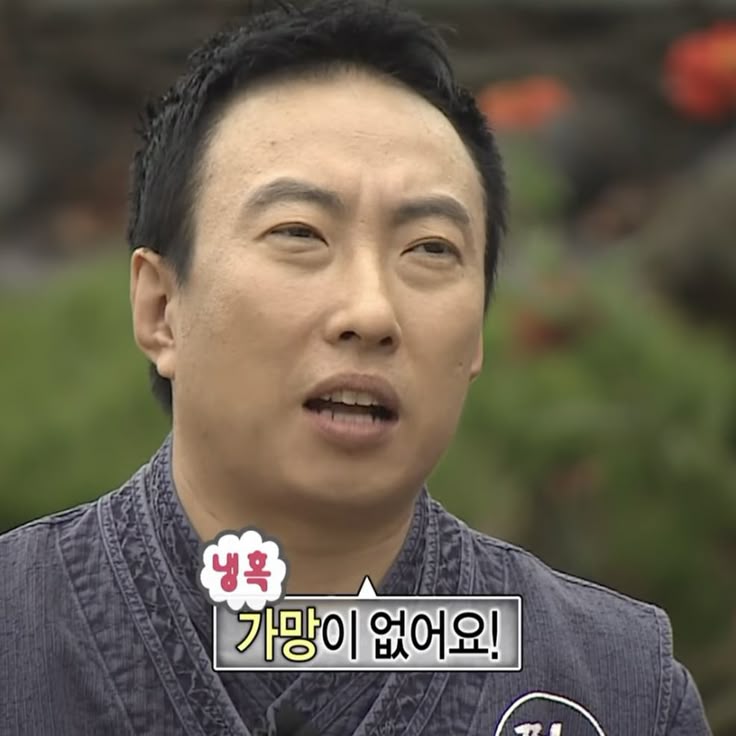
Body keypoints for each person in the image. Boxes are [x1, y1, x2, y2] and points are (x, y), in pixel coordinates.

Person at [0, 1, 712, 734]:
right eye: (300, 233)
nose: (371, 312)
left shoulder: (618, 690)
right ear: (160, 308)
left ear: (476, 332)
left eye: (430, 249)